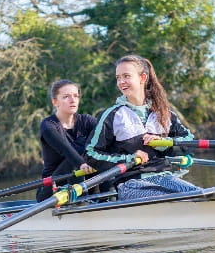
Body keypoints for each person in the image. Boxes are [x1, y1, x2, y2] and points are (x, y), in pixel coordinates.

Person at [85, 54, 200, 200]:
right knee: (183, 198)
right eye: (118, 78)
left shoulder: (163, 113)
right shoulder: (112, 115)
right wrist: (128, 158)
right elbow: (90, 154)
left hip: (165, 177)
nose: (121, 82)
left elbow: (189, 141)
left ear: (143, 78)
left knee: (202, 194)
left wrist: (164, 143)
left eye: (126, 76)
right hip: (130, 184)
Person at [36, 79, 97, 202]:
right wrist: (81, 163)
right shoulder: (48, 125)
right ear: (55, 102)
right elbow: (66, 150)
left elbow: (108, 136)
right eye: (66, 97)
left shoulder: (87, 121)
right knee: (78, 159)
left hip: (83, 182)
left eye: (75, 96)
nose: (72, 100)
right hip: (51, 191)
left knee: (99, 154)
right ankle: (85, 204)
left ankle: (107, 199)